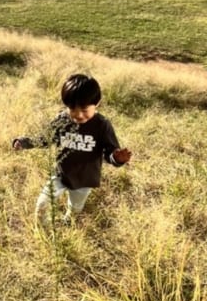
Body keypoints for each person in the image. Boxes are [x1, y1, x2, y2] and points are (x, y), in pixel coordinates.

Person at [12, 73, 132, 221]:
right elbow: (45, 138)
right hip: (61, 174)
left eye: (84, 110)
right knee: (42, 204)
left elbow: (109, 153)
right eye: (72, 109)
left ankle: (69, 221)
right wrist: (24, 142)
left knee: (75, 208)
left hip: (85, 179)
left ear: (97, 103)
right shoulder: (62, 119)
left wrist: (117, 158)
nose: (78, 115)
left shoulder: (102, 125)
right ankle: (42, 230)